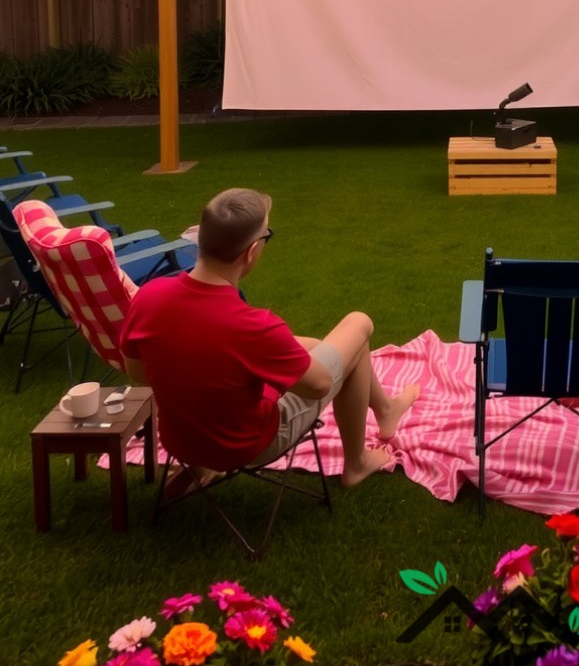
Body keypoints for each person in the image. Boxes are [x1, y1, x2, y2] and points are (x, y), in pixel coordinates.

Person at [119, 187, 418, 494]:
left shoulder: (148, 298)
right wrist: (270, 385)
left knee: (316, 346)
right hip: (246, 445)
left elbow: (138, 373)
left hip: (184, 441)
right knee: (358, 325)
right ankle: (356, 462)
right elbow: (320, 385)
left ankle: (384, 409)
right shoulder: (254, 326)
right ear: (251, 251)